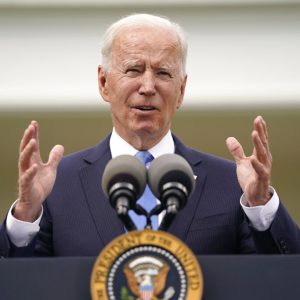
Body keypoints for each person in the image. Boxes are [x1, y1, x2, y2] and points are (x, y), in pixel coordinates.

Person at [0, 13, 299, 257]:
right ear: (104, 82)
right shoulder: (57, 185)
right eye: (133, 70)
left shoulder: (232, 184)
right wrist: (26, 213)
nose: (148, 86)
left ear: (181, 91)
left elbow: (280, 279)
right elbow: (20, 283)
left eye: (163, 73)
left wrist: (261, 206)